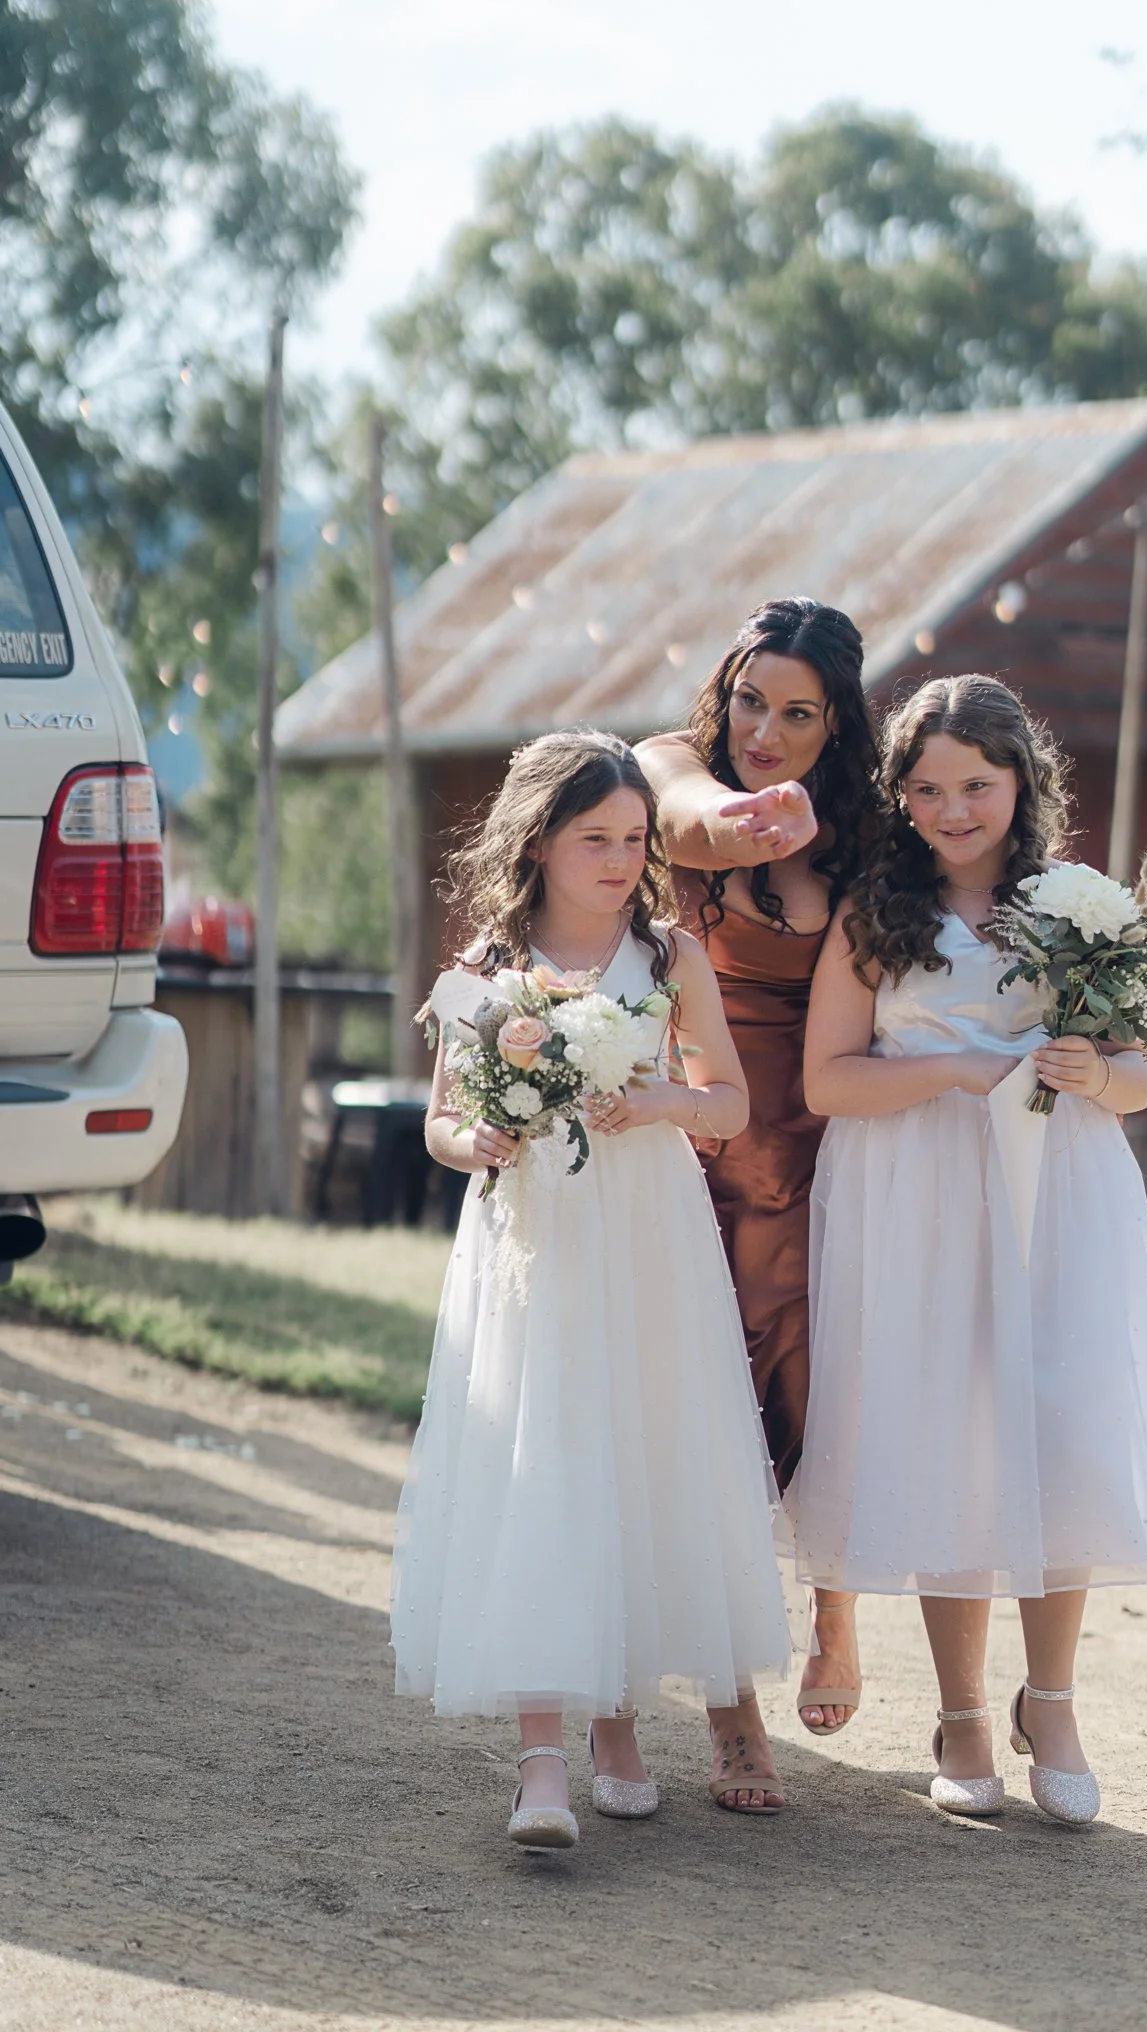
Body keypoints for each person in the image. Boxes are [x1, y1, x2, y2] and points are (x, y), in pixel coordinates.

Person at [796, 675, 1147, 1823]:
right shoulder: (876, 917)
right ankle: (965, 1711)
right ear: (900, 796)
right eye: (926, 787)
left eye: (976, 783)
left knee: (1058, 1430)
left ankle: (1055, 1697)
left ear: (1022, 781)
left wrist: (1097, 1071)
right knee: (950, 1440)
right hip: (916, 1195)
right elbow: (829, 1077)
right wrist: (958, 1067)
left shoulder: (1079, 906)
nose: (953, 807)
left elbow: (1142, 1073)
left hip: (1055, 1192)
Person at [391, 731, 791, 1850]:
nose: (618, 860)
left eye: (633, 838)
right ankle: (540, 1759)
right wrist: (482, 1138)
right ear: (540, 842)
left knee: (632, 1449)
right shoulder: (490, 957)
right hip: (537, 1237)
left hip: (647, 1235)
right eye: (593, 839)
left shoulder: (669, 960)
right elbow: (437, 1120)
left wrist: (662, 1098)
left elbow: (731, 1104)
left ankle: (621, 1719)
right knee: (544, 1454)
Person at [637, 599, 878, 1738]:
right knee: (712, 1406)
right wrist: (750, 818)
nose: (764, 730)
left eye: (797, 714)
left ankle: (836, 1613)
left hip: (833, 1148)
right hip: (700, 1143)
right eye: (749, 701)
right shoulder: (670, 769)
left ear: (838, 725)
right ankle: (732, 1699)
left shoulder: (868, 829)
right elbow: (693, 821)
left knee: (825, 1383)